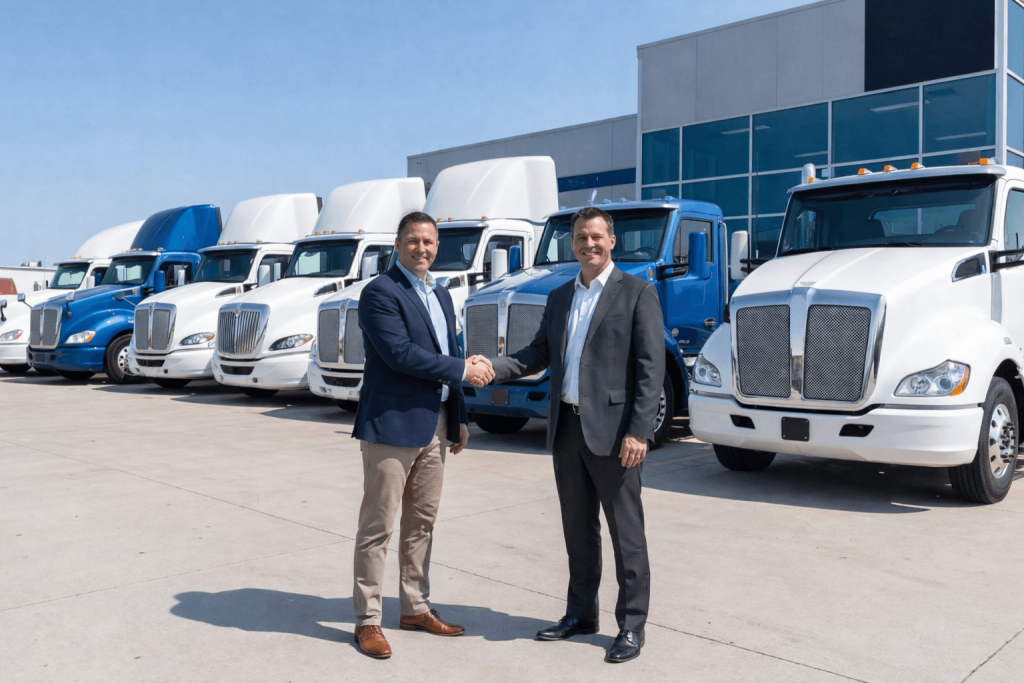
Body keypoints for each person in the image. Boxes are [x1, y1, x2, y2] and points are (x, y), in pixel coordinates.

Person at [470, 205, 664, 664]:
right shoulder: (560, 296)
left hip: (615, 434)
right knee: (578, 531)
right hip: (567, 428)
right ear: (571, 243)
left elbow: (650, 367)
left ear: (611, 240)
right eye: (580, 237)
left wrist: (639, 431)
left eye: (596, 236)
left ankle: (632, 626)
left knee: (626, 535)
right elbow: (536, 354)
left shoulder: (637, 292)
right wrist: (492, 367)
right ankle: (580, 614)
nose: (588, 244)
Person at [352, 211, 495, 659]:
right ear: (397, 244)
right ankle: (368, 620)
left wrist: (460, 416)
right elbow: (400, 354)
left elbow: (448, 351)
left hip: (436, 424)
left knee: (421, 524)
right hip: (392, 424)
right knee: (378, 526)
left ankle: (415, 607)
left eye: (429, 242)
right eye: (413, 240)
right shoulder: (380, 292)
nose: (422, 248)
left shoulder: (442, 293)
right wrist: (464, 370)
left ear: (437, 247)